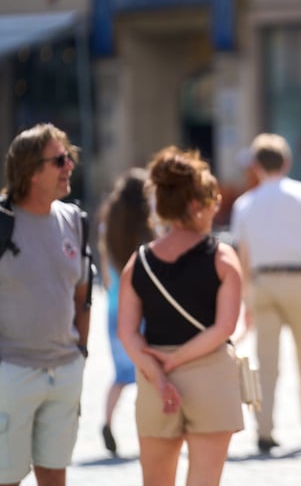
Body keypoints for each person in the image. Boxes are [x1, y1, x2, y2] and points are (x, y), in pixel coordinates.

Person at [117, 146, 242, 485]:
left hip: (153, 375)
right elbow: (225, 327)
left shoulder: (137, 262)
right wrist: (180, 360)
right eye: (212, 199)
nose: (216, 206)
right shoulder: (223, 257)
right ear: (196, 204)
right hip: (211, 372)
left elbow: (127, 333)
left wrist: (159, 373)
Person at [0, 123, 92, 486]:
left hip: (64, 372)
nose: (69, 166)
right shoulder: (2, 222)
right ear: (30, 171)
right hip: (12, 372)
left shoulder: (74, 220)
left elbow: (82, 295)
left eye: (69, 157)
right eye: (59, 160)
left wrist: (80, 353)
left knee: (55, 476)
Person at [230, 133, 301, 454]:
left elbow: (242, 255)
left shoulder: (244, 204)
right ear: (286, 162)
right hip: (299, 280)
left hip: (262, 282)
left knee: (266, 362)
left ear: (256, 166)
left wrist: (246, 296)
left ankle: (264, 429)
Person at [98, 168, 155, 457]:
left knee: (120, 374)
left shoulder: (108, 222)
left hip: (114, 304)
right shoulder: (146, 224)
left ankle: (107, 422)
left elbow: (107, 272)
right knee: (150, 369)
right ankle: (149, 429)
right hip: (143, 304)